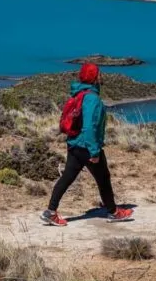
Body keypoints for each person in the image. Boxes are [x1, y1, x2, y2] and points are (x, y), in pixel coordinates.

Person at [40, 62, 133, 226]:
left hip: (74, 143)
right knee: (103, 177)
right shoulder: (92, 98)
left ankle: (50, 211)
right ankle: (113, 212)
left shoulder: (79, 93)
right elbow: (90, 126)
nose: (101, 76)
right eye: (99, 73)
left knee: (68, 177)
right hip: (86, 146)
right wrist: (94, 151)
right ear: (94, 77)